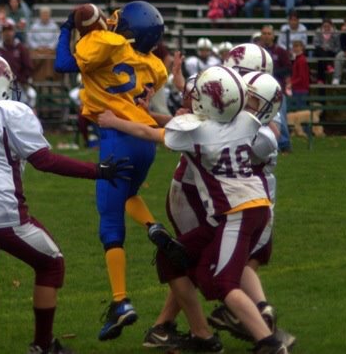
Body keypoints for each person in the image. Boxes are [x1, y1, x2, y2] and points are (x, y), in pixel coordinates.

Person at [0, 54, 131, 354]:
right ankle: (42, 345)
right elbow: (44, 161)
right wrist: (97, 171)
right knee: (51, 264)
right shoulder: (8, 112)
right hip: (5, 213)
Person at [100, 66, 291, 354]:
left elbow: (147, 132)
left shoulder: (198, 133)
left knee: (224, 283)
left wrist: (114, 120)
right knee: (171, 258)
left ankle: (269, 343)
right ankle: (200, 334)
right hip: (247, 209)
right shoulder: (247, 122)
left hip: (237, 213)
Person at [53, 1, 175, 341]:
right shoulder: (153, 64)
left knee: (110, 223)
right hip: (145, 141)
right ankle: (153, 226)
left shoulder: (106, 43)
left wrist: (68, 28)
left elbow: (63, 63)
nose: (112, 19)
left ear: (129, 29)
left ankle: (120, 301)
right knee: (129, 193)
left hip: (116, 139)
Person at [259, 24, 292, 152]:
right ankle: (266, 144)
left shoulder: (280, 51)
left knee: (281, 117)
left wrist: (272, 72)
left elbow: (288, 68)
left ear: (273, 36)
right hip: (261, 91)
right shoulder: (257, 51)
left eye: (269, 34)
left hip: (278, 90)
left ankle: (285, 144)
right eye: (264, 33)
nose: (266, 36)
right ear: (261, 35)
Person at [0, 22, 36, 107]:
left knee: (21, 103)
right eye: (5, 31)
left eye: (9, 30)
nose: (7, 33)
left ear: (14, 32)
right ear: (2, 33)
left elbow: (28, 67)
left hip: (17, 83)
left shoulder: (21, 48)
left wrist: (21, 79)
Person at [312, 18, 339, 85]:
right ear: (322, 26)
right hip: (320, 50)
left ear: (331, 26)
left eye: (328, 26)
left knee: (321, 60)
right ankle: (328, 65)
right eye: (324, 26)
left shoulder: (335, 33)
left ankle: (320, 80)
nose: (326, 28)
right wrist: (322, 47)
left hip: (330, 51)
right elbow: (315, 43)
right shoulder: (318, 31)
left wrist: (329, 49)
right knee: (320, 52)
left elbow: (338, 46)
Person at [288, 40, 310, 112]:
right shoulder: (298, 59)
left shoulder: (301, 60)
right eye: (294, 46)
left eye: (297, 46)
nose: (295, 48)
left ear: (302, 47)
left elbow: (301, 77)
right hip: (297, 88)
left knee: (300, 111)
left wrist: (291, 83)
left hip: (300, 89)